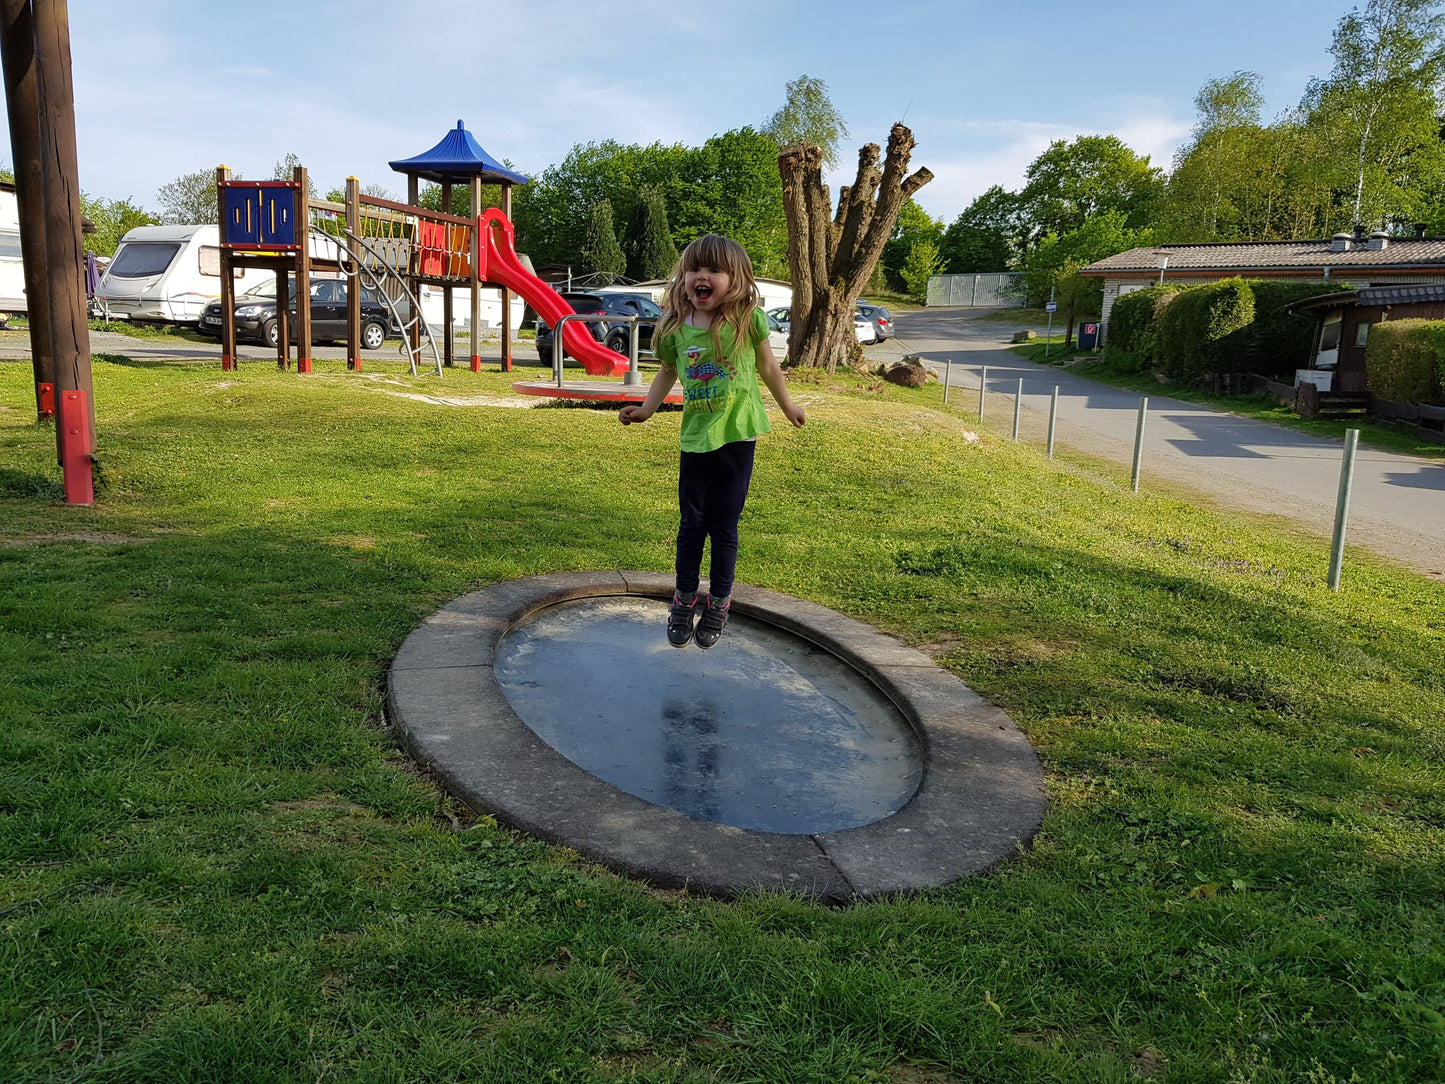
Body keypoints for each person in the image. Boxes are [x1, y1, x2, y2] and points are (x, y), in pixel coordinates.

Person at [619, 234, 805, 649]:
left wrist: (788, 406)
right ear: (684, 278)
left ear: (735, 279)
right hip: (696, 438)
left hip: (738, 434)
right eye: (694, 269)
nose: (702, 276)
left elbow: (768, 366)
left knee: (724, 526)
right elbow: (668, 372)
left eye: (714, 270)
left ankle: (719, 603)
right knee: (691, 524)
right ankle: (683, 600)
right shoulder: (675, 328)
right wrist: (647, 410)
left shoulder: (747, 320)